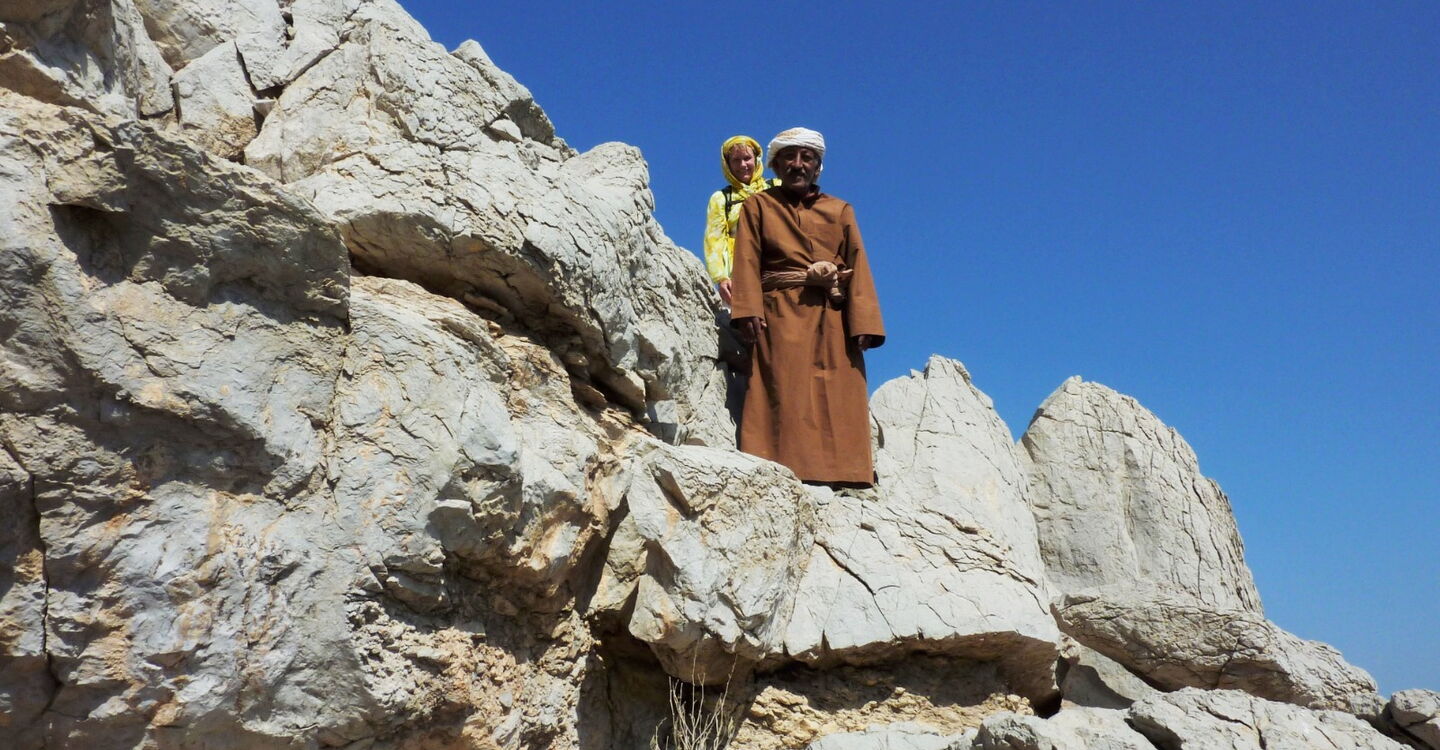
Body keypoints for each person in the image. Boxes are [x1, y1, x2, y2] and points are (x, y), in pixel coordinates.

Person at [729, 127, 885, 486]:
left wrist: (864, 322)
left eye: (807, 158)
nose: (798, 164)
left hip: (833, 314)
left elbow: (858, 263)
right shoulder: (759, 206)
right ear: (775, 165)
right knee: (784, 389)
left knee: (837, 389)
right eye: (789, 157)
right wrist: (747, 309)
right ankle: (777, 466)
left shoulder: (840, 210)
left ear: (817, 166)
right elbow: (747, 259)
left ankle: (846, 473)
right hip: (780, 311)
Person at [703, 135, 778, 306]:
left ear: (756, 159)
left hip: (778, 267)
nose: (743, 165)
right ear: (727, 165)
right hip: (740, 271)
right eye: (736, 160)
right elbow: (714, 240)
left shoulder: (776, 187)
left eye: (747, 158)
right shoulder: (721, 198)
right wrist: (721, 277)